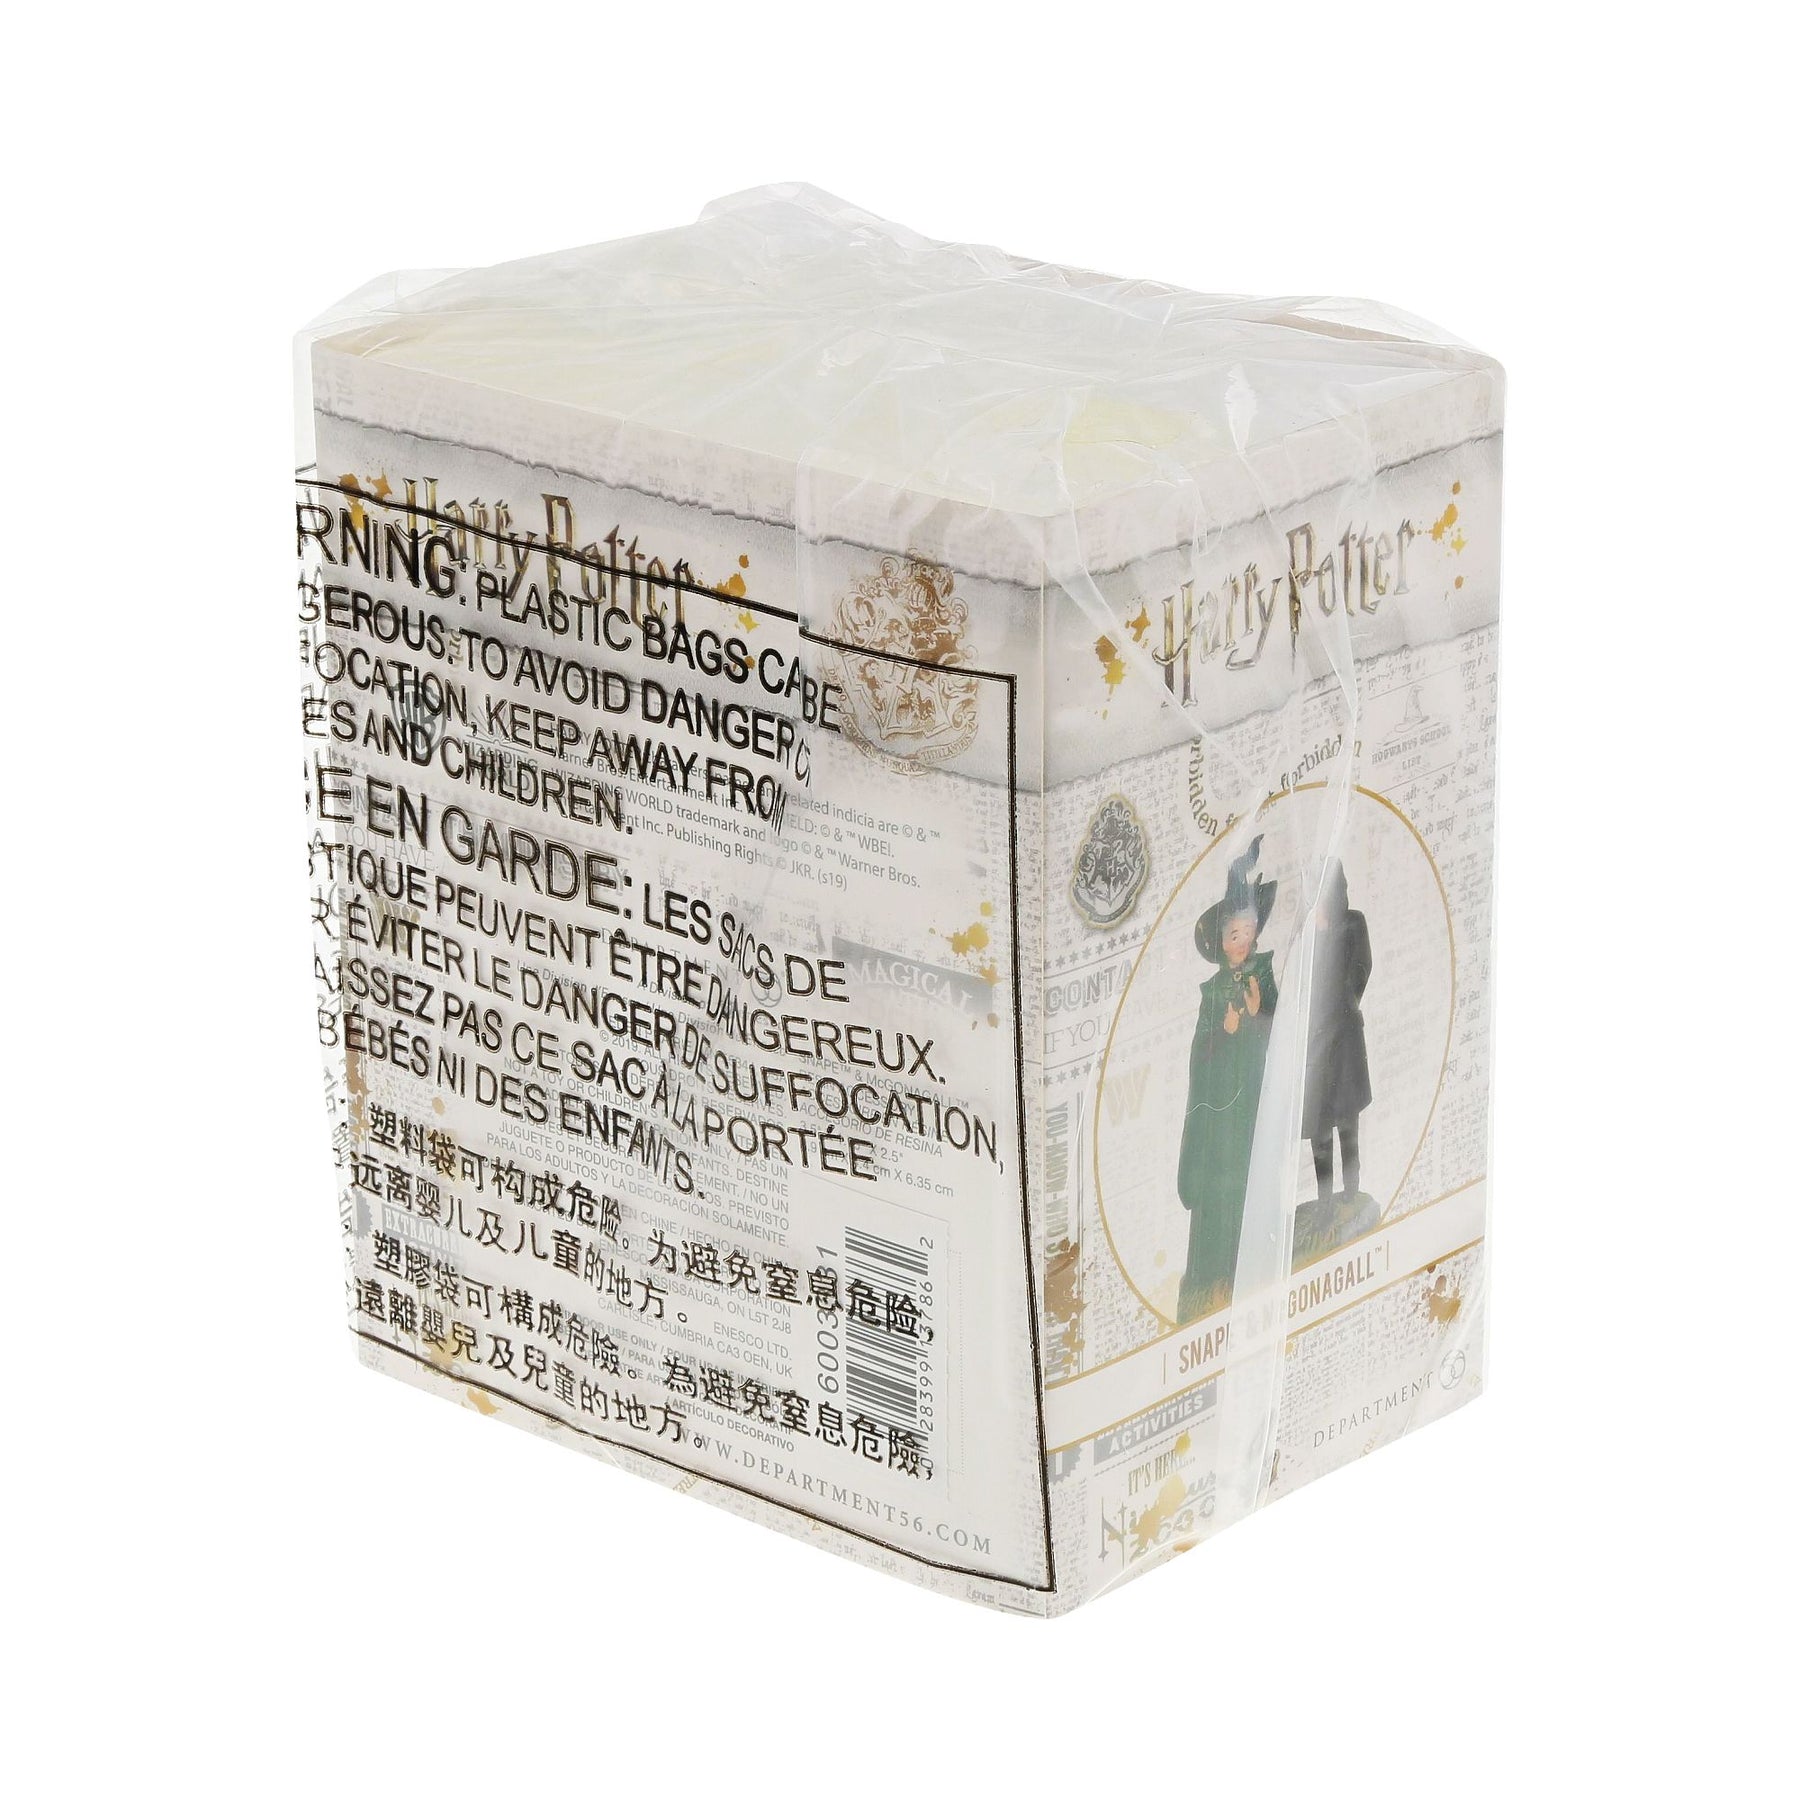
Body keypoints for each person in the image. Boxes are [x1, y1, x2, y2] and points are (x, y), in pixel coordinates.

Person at [1176, 835, 1278, 1324]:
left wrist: (1258, 1017)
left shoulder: (1263, 975)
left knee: (1249, 1185)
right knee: (1218, 1191)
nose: (1243, 942)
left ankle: (1246, 1273)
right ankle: (1208, 1277)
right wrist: (1225, 1030)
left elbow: (1282, 1033)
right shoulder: (1213, 992)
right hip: (1220, 1117)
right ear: (1221, 940)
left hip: (1252, 1105)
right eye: (1235, 934)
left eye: (1249, 933)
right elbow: (1200, 1056)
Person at [1301, 859, 1373, 1210]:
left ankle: (1351, 1191)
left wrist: (1341, 1006)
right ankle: (1325, 1199)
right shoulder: (1307, 931)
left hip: (1344, 1040)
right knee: (1319, 1127)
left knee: (1348, 1122)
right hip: (1315, 1042)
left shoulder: (1353, 922)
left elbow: (1361, 969)